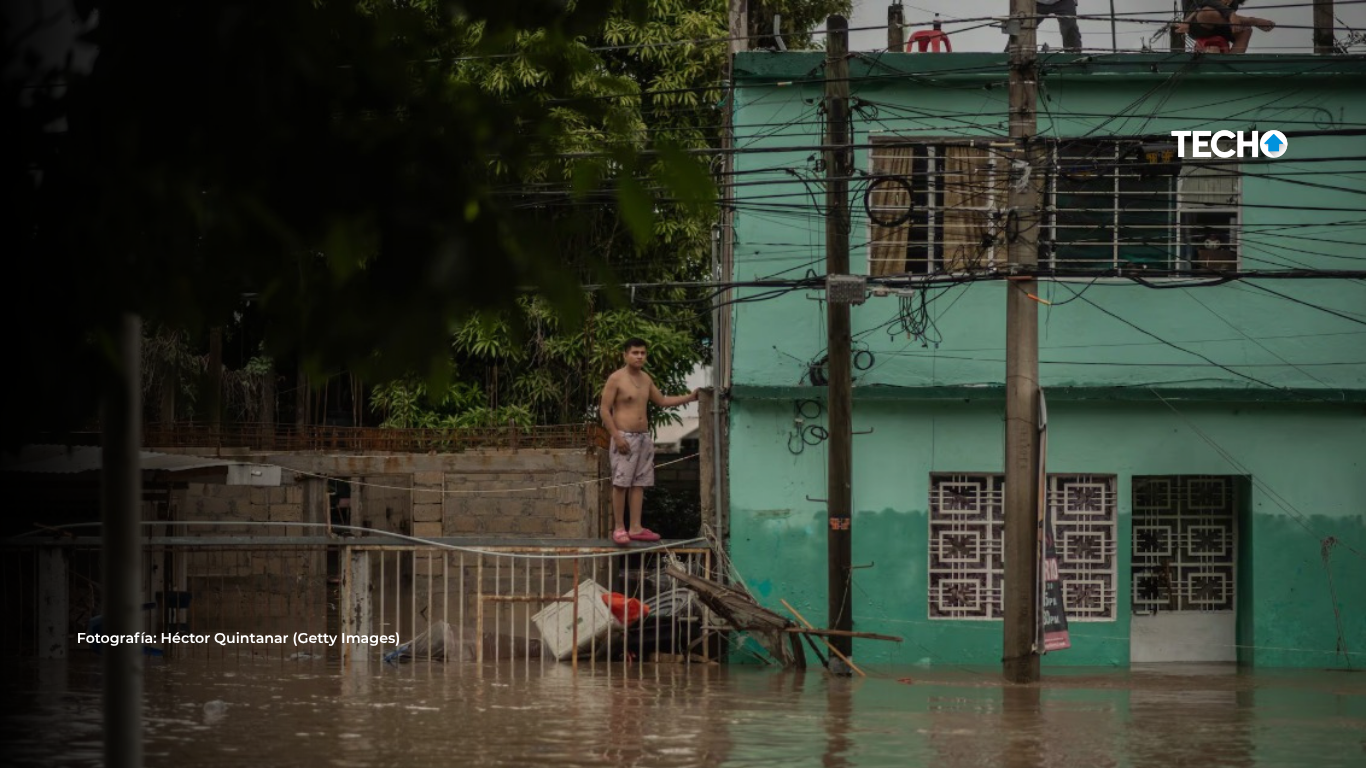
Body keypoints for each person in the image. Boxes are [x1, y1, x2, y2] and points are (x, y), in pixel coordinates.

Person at [599, 337, 700, 546]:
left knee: (639, 483)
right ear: (625, 355)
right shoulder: (616, 378)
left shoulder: (645, 378)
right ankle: (619, 527)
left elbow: (662, 401)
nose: (639, 356)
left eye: (643, 353)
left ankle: (635, 527)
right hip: (624, 437)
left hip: (643, 437)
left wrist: (690, 397)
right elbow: (604, 410)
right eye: (635, 353)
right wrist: (616, 436)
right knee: (621, 482)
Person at [1176, 0, 1275, 53]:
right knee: (1207, 12)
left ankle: (1231, 63)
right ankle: (1251, 20)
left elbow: (1226, 14)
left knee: (1246, 31)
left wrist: (1233, 18)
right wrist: (1231, 14)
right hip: (1197, 24)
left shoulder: (1234, 3)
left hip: (1220, 24)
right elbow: (1202, 2)